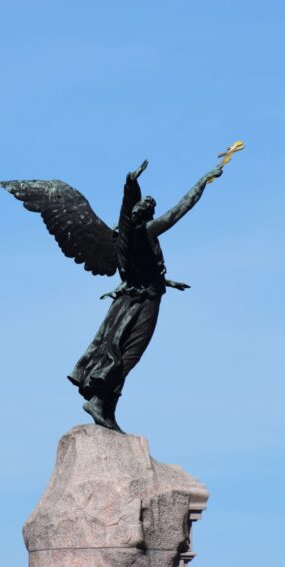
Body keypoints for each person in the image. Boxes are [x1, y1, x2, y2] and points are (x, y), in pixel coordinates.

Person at [67, 160, 225, 432]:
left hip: (136, 298)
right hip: (140, 303)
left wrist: (167, 281)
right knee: (128, 355)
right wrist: (202, 182)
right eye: (149, 211)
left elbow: (144, 266)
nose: (153, 214)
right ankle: (100, 403)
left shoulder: (134, 238)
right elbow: (179, 210)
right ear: (142, 217)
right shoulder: (140, 234)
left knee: (124, 355)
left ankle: (104, 407)